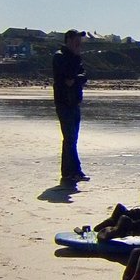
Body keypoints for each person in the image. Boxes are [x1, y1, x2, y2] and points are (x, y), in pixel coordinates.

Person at [52, 30, 89, 183]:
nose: (78, 44)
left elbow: (83, 76)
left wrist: (76, 78)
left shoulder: (75, 58)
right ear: (68, 40)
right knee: (70, 138)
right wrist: (76, 75)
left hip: (74, 102)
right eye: (76, 41)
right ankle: (72, 172)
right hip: (64, 102)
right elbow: (68, 79)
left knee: (72, 139)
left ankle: (71, 171)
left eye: (79, 42)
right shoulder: (60, 56)